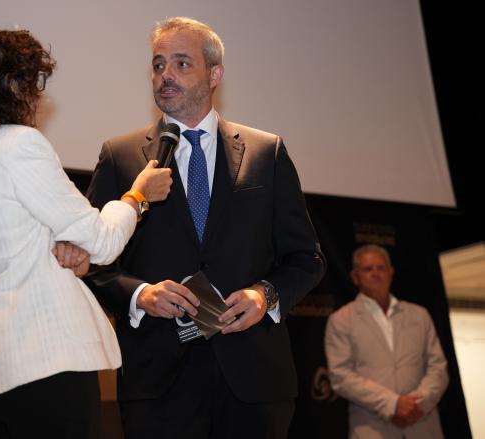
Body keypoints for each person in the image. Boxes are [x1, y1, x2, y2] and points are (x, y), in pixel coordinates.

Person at [84, 17, 325, 438]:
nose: (165, 76)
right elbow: (92, 261)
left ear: (215, 74)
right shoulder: (121, 156)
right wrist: (141, 295)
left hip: (253, 383)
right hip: (158, 383)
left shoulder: (265, 152)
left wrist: (264, 295)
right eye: (158, 65)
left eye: (181, 64)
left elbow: (307, 258)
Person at [0, 23, 172, 438]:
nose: (36, 95)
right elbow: (102, 240)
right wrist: (137, 196)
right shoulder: (19, 145)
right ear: (10, 84)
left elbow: (19, 244)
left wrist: (66, 247)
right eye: (30, 82)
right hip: (45, 367)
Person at [324, 244, 448, 438]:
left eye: (381, 268)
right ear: (355, 277)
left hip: (424, 426)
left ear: (391, 272)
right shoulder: (341, 319)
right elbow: (341, 375)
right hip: (372, 430)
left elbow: (438, 368)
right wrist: (393, 404)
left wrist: (418, 404)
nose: (376, 273)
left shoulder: (419, 315)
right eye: (367, 269)